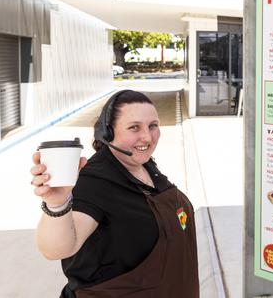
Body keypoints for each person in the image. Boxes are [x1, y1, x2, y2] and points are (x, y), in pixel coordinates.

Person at [30, 90, 198, 298]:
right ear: (108, 133)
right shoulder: (94, 180)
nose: (147, 136)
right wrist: (57, 204)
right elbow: (56, 249)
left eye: (153, 125)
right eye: (134, 127)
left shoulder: (146, 167)